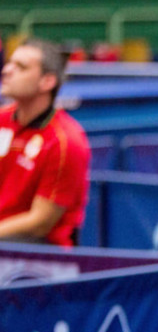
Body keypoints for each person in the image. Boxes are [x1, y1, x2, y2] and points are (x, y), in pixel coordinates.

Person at [0, 38, 90, 247]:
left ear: (47, 82)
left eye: (21, 67)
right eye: (10, 63)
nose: (7, 70)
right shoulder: (2, 119)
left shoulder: (66, 142)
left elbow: (40, 223)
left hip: (40, 253)